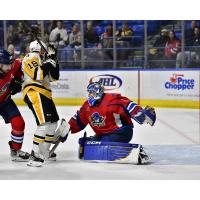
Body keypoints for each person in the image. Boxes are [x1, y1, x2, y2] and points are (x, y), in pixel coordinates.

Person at [67, 82, 156, 164]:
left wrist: (140, 113)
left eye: (92, 92)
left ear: (98, 93)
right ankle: (102, 144)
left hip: (122, 132)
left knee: (103, 146)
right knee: (87, 144)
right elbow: (78, 119)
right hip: (102, 134)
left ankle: (137, 153)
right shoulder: (86, 106)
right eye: (89, 92)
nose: (89, 95)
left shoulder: (111, 100)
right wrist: (67, 127)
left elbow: (127, 105)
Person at [22, 40, 60, 167]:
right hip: (34, 92)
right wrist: (50, 61)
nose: (46, 52)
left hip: (45, 94)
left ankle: (44, 151)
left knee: (53, 122)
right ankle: (34, 154)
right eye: (44, 50)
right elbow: (37, 74)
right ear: (38, 48)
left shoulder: (41, 61)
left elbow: (54, 77)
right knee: (43, 124)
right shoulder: (30, 56)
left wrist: (54, 59)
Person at [0, 49, 30, 161]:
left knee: (19, 123)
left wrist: (18, 77)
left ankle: (15, 150)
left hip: (5, 101)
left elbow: (25, 63)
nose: (9, 67)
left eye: (10, 64)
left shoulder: (13, 65)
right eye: (6, 65)